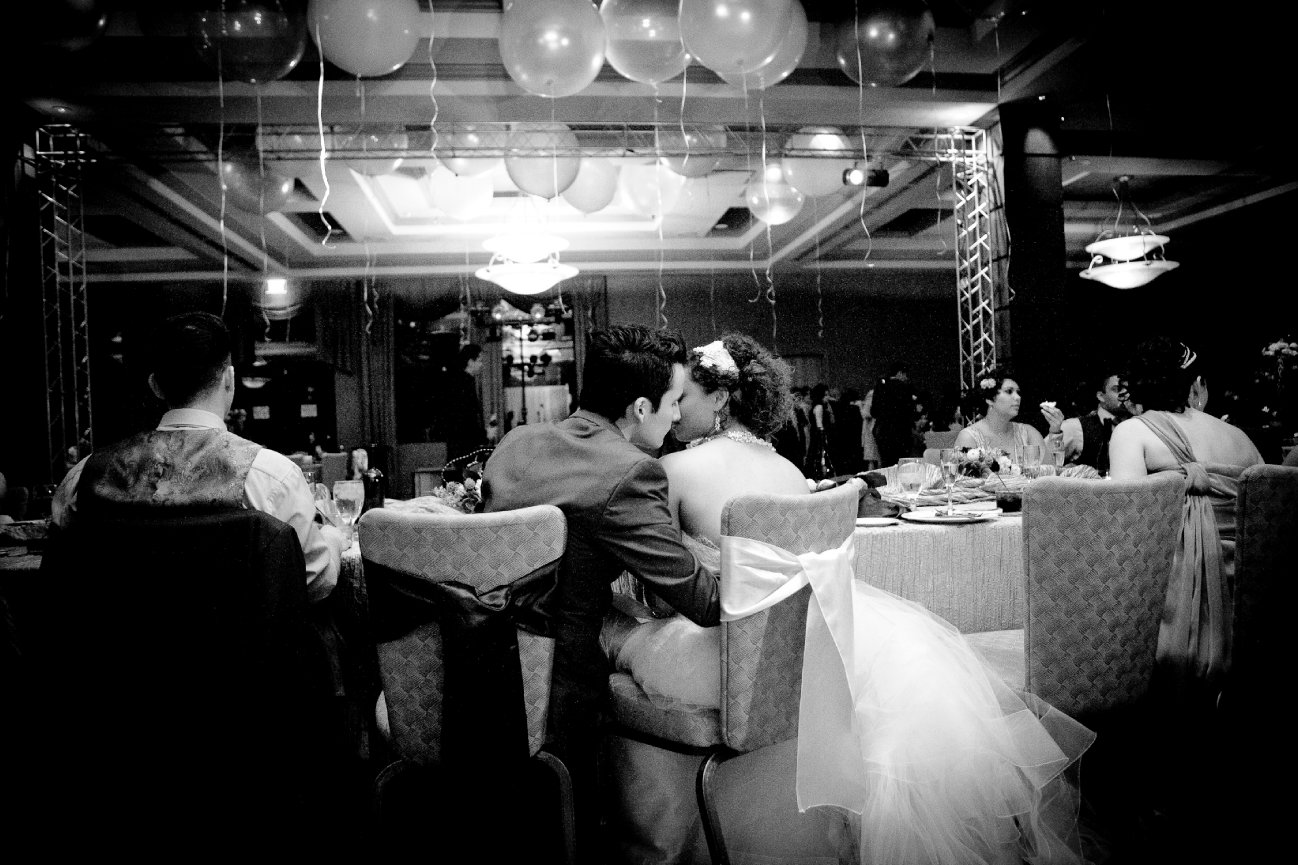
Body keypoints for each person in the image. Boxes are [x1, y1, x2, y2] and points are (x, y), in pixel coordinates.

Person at [609, 334, 1094, 865]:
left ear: (721, 398)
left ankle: (649, 833)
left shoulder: (674, 471)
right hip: (807, 653)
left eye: (685, 397)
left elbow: (661, 583)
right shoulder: (787, 471)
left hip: (729, 653)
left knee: (618, 645)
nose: (677, 411)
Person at [481, 324, 720, 863]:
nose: (677, 416)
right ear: (641, 408)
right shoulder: (630, 473)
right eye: (673, 402)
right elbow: (703, 601)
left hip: (474, 665)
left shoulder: (516, 445)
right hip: (558, 687)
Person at [50, 311, 347, 602]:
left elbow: (62, 575)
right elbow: (313, 582)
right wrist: (333, 539)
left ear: (155, 386)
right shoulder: (271, 476)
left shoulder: (84, 476)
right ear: (229, 379)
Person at [1108, 338, 1262, 691]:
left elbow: (1128, 527)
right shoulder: (1239, 437)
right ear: (1196, 385)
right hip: (1253, 598)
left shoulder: (1133, 432)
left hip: (1176, 597)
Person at [1043, 369, 1136, 474]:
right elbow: (1043, 465)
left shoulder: (1137, 424)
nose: (1126, 395)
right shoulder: (1074, 427)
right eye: (1117, 389)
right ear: (1101, 396)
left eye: (1128, 390)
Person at [953, 366, 1051, 458]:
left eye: (1018, 392)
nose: (1018, 397)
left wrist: (1054, 432)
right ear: (989, 399)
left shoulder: (1028, 433)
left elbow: (1049, 468)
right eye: (1009, 391)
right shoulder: (969, 437)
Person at [441, 343, 487, 463]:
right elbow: (467, 418)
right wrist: (483, 435)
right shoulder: (464, 385)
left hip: (460, 447)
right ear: (470, 362)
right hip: (465, 447)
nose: (482, 365)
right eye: (480, 361)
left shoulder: (460, 382)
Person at [870, 362, 918, 466]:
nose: (906, 378)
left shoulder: (880, 387)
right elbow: (911, 412)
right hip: (902, 432)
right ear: (900, 373)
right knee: (901, 465)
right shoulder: (905, 388)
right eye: (905, 374)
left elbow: (873, 412)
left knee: (886, 464)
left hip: (883, 432)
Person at [804, 382, 835, 478]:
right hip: (819, 435)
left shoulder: (819, 406)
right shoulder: (819, 407)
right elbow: (819, 424)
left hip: (816, 434)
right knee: (820, 456)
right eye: (825, 395)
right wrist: (823, 438)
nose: (827, 397)